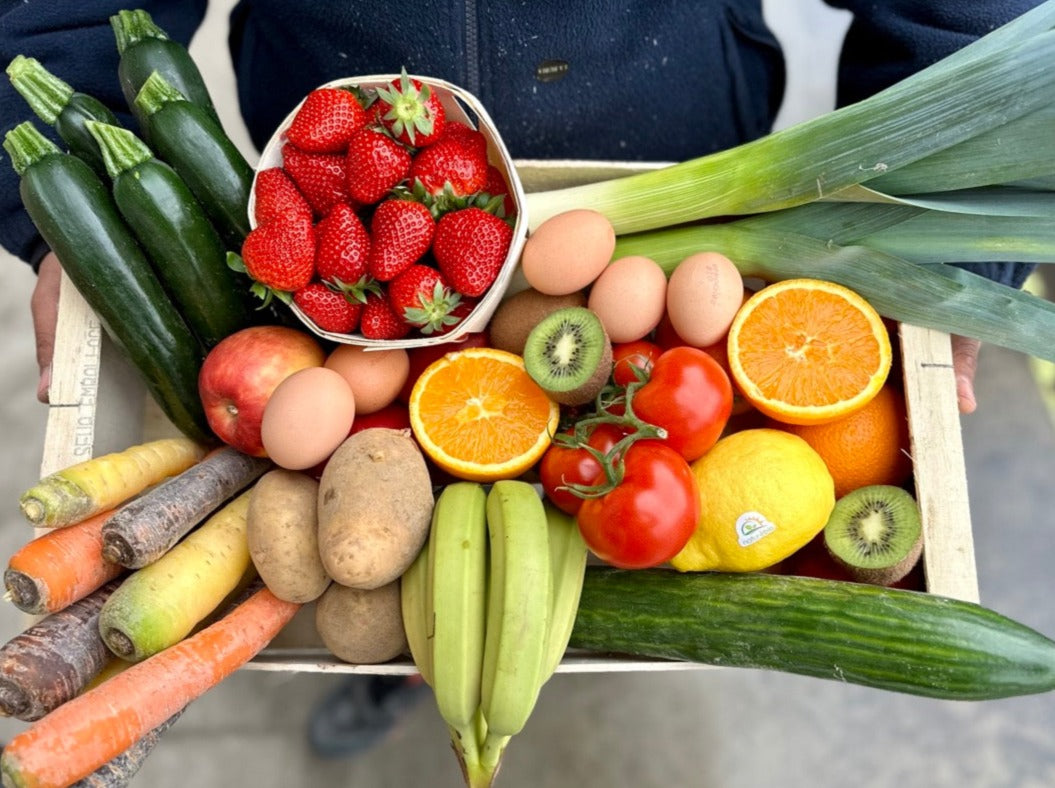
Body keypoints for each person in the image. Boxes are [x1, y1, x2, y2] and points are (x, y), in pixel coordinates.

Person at [0, 0, 1041, 757]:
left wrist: (949, 255)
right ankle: (422, 658)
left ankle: (463, 645)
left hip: (675, 168)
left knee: (478, 552)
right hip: (353, 184)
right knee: (407, 568)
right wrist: (64, 210)